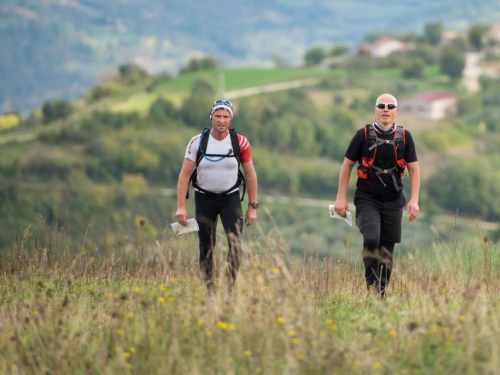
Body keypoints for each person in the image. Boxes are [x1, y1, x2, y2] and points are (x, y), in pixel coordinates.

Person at [334, 93, 420, 297]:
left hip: (393, 201)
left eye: (390, 106)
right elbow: (347, 166)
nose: (386, 109)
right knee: (372, 240)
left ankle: (379, 295)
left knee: (387, 255)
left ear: (396, 111)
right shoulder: (363, 135)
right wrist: (341, 197)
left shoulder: (405, 137)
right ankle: (371, 287)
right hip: (367, 199)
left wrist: (414, 200)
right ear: (375, 109)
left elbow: (414, 170)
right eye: (381, 105)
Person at [175, 99, 258, 295]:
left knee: (236, 244)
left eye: (226, 116)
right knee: (206, 246)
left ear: (231, 119)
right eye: (218, 116)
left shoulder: (240, 142)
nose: (221, 120)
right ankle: (209, 290)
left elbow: (250, 175)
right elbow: (184, 175)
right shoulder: (197, 142)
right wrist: (181, 206)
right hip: (204, 198)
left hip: (230, 198)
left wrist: (252, 206)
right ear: (211, 117)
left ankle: (230, 288)